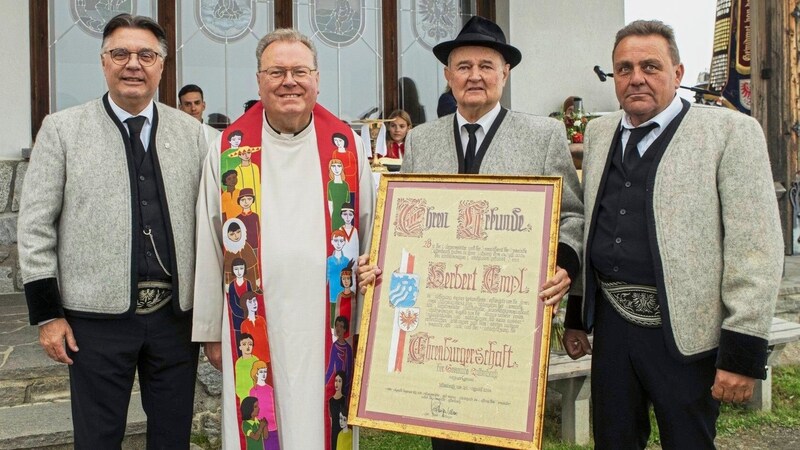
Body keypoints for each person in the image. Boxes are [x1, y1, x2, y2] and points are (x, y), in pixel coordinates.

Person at [360, 15, 584, 450]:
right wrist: (382, 261)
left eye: (486, 65)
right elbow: (408, 223)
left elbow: (571, 215)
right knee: (446, 434)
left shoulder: (543, 135)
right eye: (464, 66)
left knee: (506, 432)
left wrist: (563, 263)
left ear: (505, 72)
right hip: (440, 317)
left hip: (510, 321)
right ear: (448, 76)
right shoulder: (422, 141)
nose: (475, 76)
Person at [562, 20, 783, 449]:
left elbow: (755, 247)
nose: (636, 78)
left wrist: (741, 352)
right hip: (613, 333)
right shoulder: (600, 131)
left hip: (688, 336)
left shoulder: (729, 133)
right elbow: (594, 227)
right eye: (623, 69)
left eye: (650, 66)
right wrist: (577, 316)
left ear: (678, 74)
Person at [17, 13, 206, 449]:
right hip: (94, 321)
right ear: (104, 62)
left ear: (162, 64)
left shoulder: (196, 135)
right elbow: (34, 227)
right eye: (120, 53)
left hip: (176, 319)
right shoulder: (62, 130)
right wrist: (48, 315)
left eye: (146, 54)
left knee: (173, 436)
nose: (133, 64)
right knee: (97, 439)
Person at [192, 27, 376, 449]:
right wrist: (209, 329)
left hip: (330, 319)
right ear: (258, 81)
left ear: (316, 79)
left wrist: (369, 318)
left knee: (325, 421)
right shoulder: (228, 148)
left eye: (299, 71)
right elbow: (209, 241)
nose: (289, 81)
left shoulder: (345, 145)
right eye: (276, 72)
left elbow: (369, 231)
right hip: (255, 317)